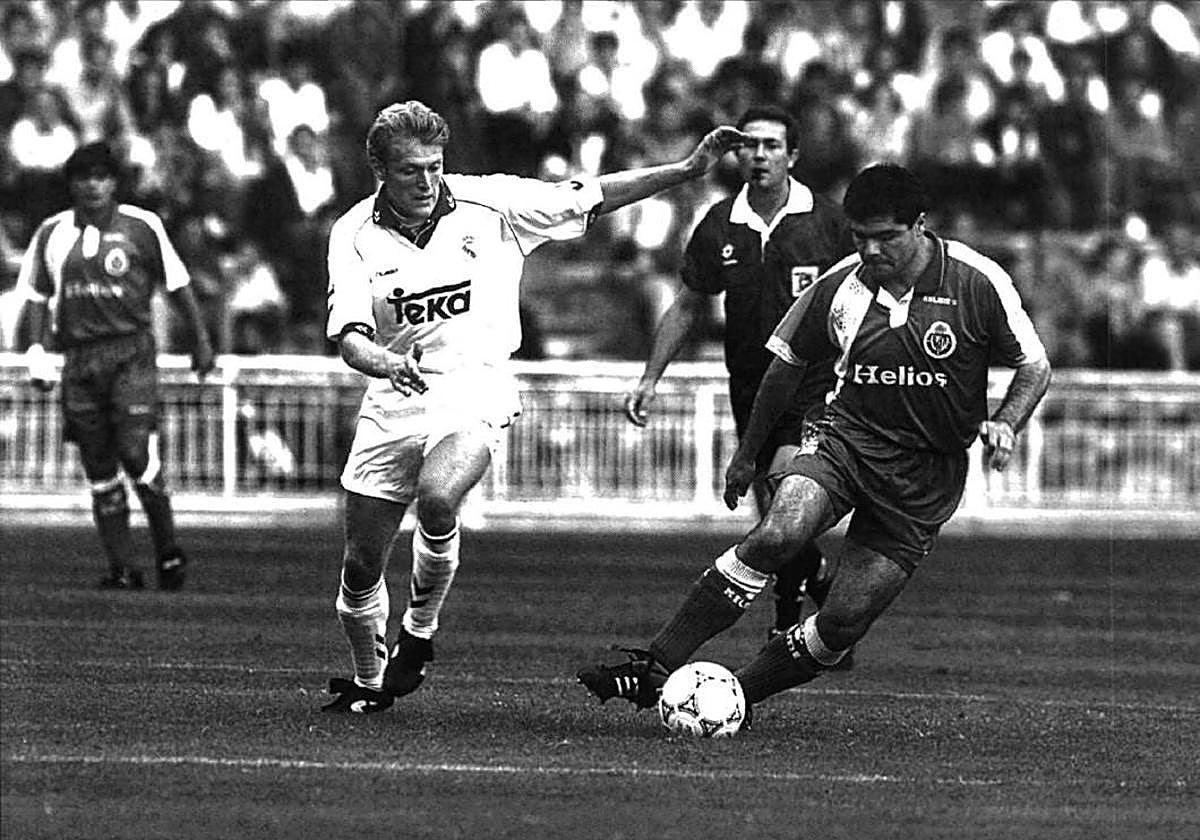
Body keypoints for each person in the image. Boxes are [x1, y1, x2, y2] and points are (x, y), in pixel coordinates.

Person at [321, 100, 752, 713]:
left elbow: (594, 195)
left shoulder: (490, 203)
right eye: (411, 170)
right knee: (361, 566)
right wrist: (385, 362)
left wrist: (684, 170)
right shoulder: (353, 234)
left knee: (440, 496)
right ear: (379, 171)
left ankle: (419, 629)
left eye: (435, 166)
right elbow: (351, 338)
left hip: (474, 385)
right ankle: (369, 682)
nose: (426, 181)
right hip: (393, 395)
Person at [578, 163, 1051, 718]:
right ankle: (654, 664)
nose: (870, 251)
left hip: (925, 477)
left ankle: (734, 700)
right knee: (780, 531)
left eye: (885, 237)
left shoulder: (977, 280)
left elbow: (1034, 366)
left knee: (842, 625)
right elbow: (784, 369)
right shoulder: (842, 287)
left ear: (920, 226)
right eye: (859, 236)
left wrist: (1006, 421)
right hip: (845, 441)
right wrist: (747, 455)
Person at [623, 103, 855, 648]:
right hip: (750, 384)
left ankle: (787, 615)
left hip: (816, 386)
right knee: (771, 513)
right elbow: (688, 305)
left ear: (792, 155)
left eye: (771, 145)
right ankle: (816, 582)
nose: (759, 155)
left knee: (783, 493)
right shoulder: (720, 223)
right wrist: (650, 379)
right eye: (749, 144)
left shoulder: (828, 222)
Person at [18, 141, 215, 590]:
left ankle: (168, 550)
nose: (93, 186)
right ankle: (123, 566)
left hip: (130, 353)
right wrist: (35, 351)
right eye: (84, 178)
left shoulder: (142, 226)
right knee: (99, 465)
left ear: (115, 183)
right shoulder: (51, 233)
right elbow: (35, 295)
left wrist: (201, 341)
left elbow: (178, 284)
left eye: (101, 177)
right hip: (78, 359)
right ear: (71, 184)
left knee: (134, 451)